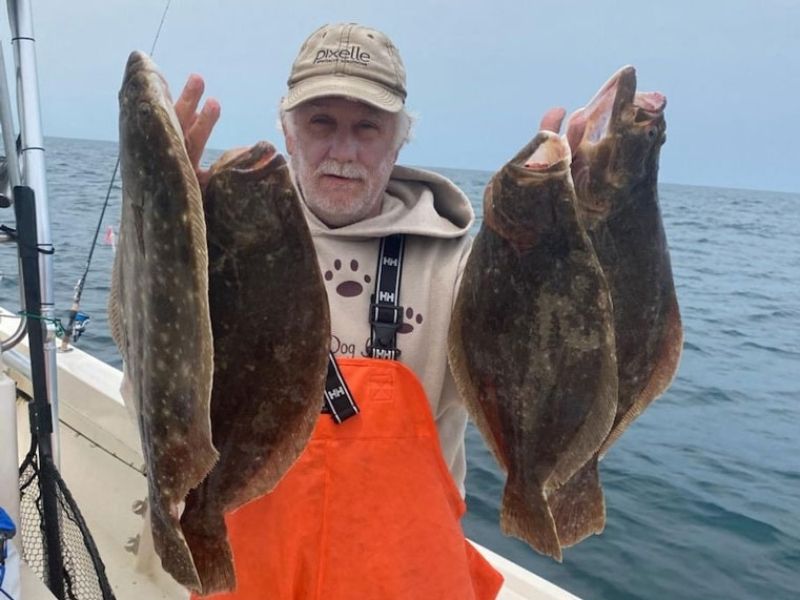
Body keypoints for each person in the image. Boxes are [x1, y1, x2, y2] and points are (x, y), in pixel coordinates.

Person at [174, 22, 564, 600]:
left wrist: (562, 235)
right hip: (245, 570)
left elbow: (544, 364)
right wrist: (167, 224)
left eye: (367, 127)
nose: (343, 150)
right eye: (321, 123)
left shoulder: (461, 266)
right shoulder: (216, 237)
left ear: (400, 137)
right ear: (287, 128)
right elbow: (157, 381)